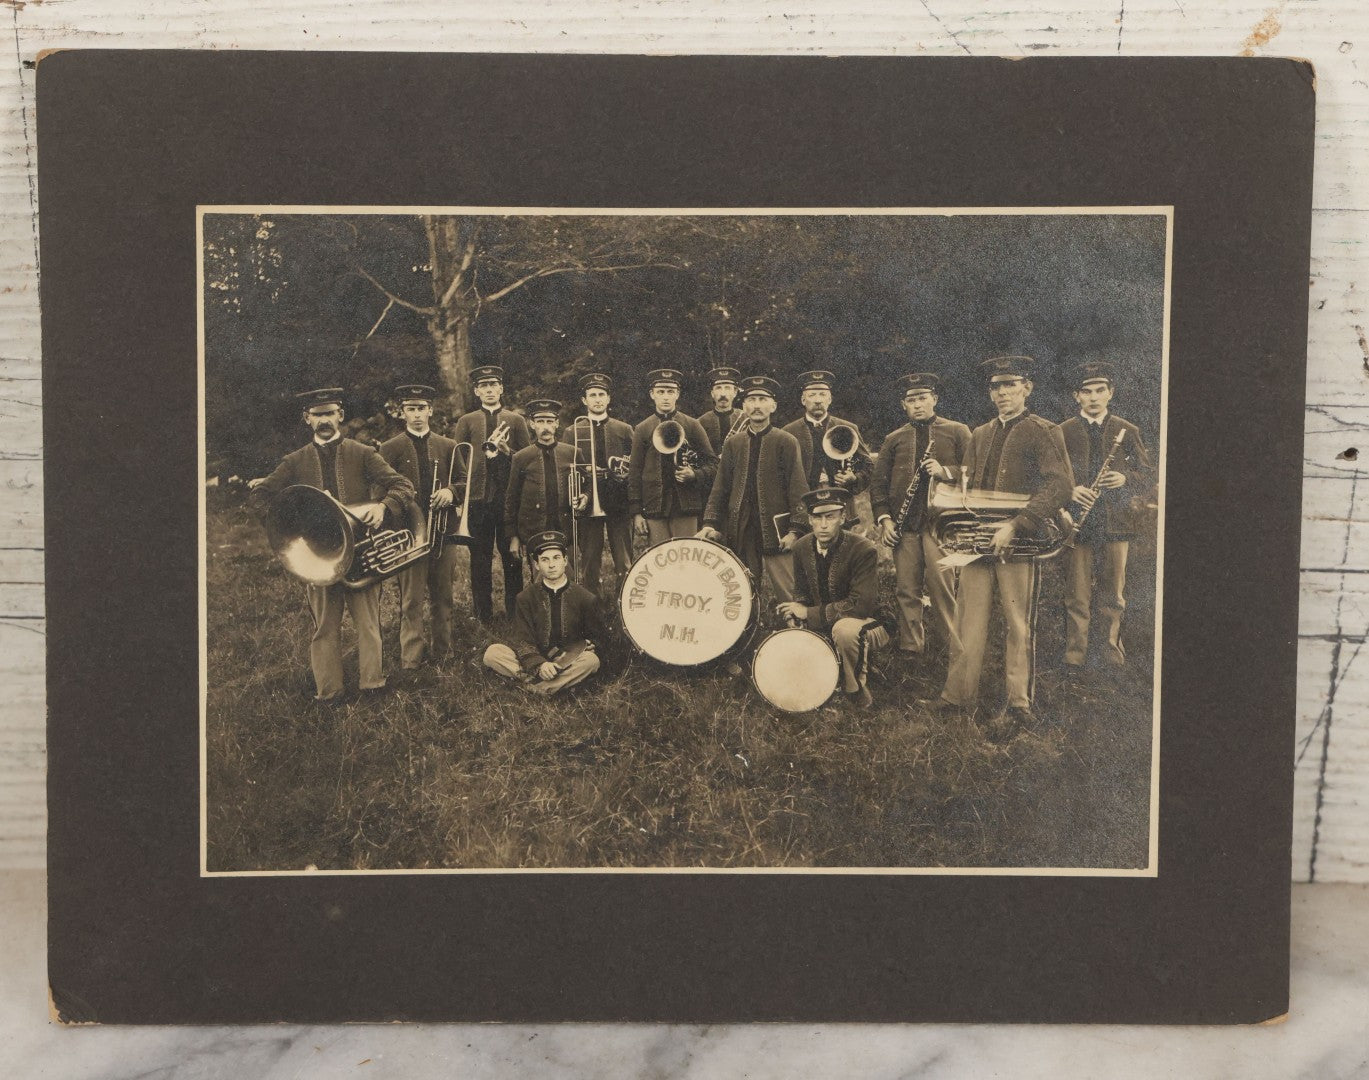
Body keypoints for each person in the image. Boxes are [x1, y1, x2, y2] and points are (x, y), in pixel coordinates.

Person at [931, 356, 1074, 736]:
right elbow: (973, 491)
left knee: (1017, 623)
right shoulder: (979, 434)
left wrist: (1016, 524)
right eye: (996, 387)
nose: (1002, 393)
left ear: (1027, 388)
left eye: (1010, 385)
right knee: (967, 620)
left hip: (1019, 540)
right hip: (978, 543)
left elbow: (1059, 485)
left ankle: (1019, 704)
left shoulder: (1044, 431)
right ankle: (957, 697)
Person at [249, 388, 416, 703]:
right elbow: (260, 497)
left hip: (362, 552)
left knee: (368, 624)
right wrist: (287, 528)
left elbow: (402, 485)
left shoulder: (362, 452)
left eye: (329, 413)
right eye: (317, 415)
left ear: (340, 416)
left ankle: (373, 686)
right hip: (317, 557)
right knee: (324, 627)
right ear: (307, 419)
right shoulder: (294, 461)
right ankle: (329, 693)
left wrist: (383, 507)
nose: (324, 420)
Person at [1057, 361, 1154, 674]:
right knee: (1077, 594)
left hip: (1116, 524)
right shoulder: (1063, 431)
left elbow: (1147, 474)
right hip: (1078, 522)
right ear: (1077, 396)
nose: (1094, 397)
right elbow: (1051, 476)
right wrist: (1071, 490)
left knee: (1113, 593)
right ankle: (1075, 656)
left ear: (1110, 393)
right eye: (1087, 391)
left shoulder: (1128, 429)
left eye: (1100, 390)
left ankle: (1110, 656)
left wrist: (1125, 478)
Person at [870, 373, 972, 660]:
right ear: (904, 404)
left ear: (934, 400)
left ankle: (953, 647)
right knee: (906, 589)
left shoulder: (957, 431)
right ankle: (911, 647)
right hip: (905, 527)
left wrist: (946, 472)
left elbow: (975, 471)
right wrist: (885, 520)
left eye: (923, 398)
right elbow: (878, 486)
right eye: (911, 400)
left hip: (942, 526)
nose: (917, 404)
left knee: (942, 588)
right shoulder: (894, 438)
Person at [698, 375, 807, 606]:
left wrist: (795, 530)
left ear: (773, 406)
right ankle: (747, 636)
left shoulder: (786, 441)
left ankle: (796, 633)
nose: (757, 405)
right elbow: (720, 488)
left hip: (777, 530)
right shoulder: (733, 444)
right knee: (742, 589)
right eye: (751, 399)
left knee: (789, 591)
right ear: (744, 405)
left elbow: (798, 487)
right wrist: (710, 523)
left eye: (762, 399)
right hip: (741, 528)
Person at [778, 487, 890, 709]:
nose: (823, 524)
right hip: (828, 620)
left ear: (843, 517)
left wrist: (809, 614)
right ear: (809, 520)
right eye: (817, 517)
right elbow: (801, 592)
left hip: (870, 623)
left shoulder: (863, 549)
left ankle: (856, 691)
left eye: (830, 517)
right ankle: (822, 682)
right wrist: (795, 610)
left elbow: (860, 605)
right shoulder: (801, 547)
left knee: (844, 631)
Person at [378, 383, 462, 670]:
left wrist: (451, 492)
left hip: (443, 534)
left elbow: (464, 481)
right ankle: (411, 659)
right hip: (408, 537)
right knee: (410, 600)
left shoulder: (448, 446)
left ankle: (444, 653)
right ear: (403, 413)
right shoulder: (389, 449)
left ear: (431, 410)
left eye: (421, 408)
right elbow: (379, 490)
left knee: (444, 597)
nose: (416, 415)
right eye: (410, 409)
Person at [449, 365, 530, 622]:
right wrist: (461, 499)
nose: (489, 390)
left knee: (512, 559)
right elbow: (458, 461)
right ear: (476, 391)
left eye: (493, 385)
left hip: (507, 500)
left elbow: (528, 459)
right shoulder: (466, 421)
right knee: (479, 561)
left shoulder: (516, 420)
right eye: (483, 386)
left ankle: (515, 615)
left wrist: (506, 452)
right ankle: (483, 616)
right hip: (477, 501)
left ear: (501, 388)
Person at [482, 530, 607, 695]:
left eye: (556, 558)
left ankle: (533, 686)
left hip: (567, 662)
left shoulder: (585, 598)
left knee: (591, 661)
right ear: (536, 565)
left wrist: (590, 645)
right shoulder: (525, 598)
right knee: (493, 653)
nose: (551, 565)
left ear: (565, 560)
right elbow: (522, 640)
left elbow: (599, 639)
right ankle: (551, 685)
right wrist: (539, 665)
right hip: (534, 659)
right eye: (544, 560)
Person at [560, 372, 634, 595]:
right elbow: (567, 468)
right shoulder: (572, 431)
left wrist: (624, 472)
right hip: (587, 499)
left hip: (618, 498)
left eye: (602, 394)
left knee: (624, 558)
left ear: (609, 398)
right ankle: (593, 603)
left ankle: (625, 601)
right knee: (590, 558)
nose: (597, 399)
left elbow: (635, 464)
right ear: (584, 400)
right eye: (592, 395)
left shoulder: (624, 429)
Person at [627, 367, 718, 543]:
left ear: (677, 394)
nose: (666, 396)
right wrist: (636, 512)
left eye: (670, 391)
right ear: (652, 394)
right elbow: (635, 472)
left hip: (686, 505)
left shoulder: (692, 425)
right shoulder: (642, 428)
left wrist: (695, 474)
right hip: (655, 506)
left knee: (686, 556)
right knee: (660, 558)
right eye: (661, 391)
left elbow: (713, 464)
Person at [505, 399, 583, 566]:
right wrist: (514, 537)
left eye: (549, 421)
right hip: (534, 531)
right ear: (532, 424)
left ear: (556, 424)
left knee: (569, 577)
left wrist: (586, 496)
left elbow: (587, 484)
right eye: (540, 421)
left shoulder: (573, 453)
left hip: (568, 529)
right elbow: (512, 499)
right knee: (541, 581)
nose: (545, 426)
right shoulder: (521, 457)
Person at [781, 369, 871, 496]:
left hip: (841, 501)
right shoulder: (788, 432)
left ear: (830, 399)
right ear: (803, 400)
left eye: (823, 394)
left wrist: (854, 478)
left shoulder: (848, 428)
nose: (818, 400)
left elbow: (868, 466)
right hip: (803, 504)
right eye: (812, 395)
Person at [695, 366, 743, 452]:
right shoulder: (701, 422)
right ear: (712, 393)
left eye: (727, 388)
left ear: (735, 392)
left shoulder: (745, 418)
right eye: (718, 388)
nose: (723, 394)